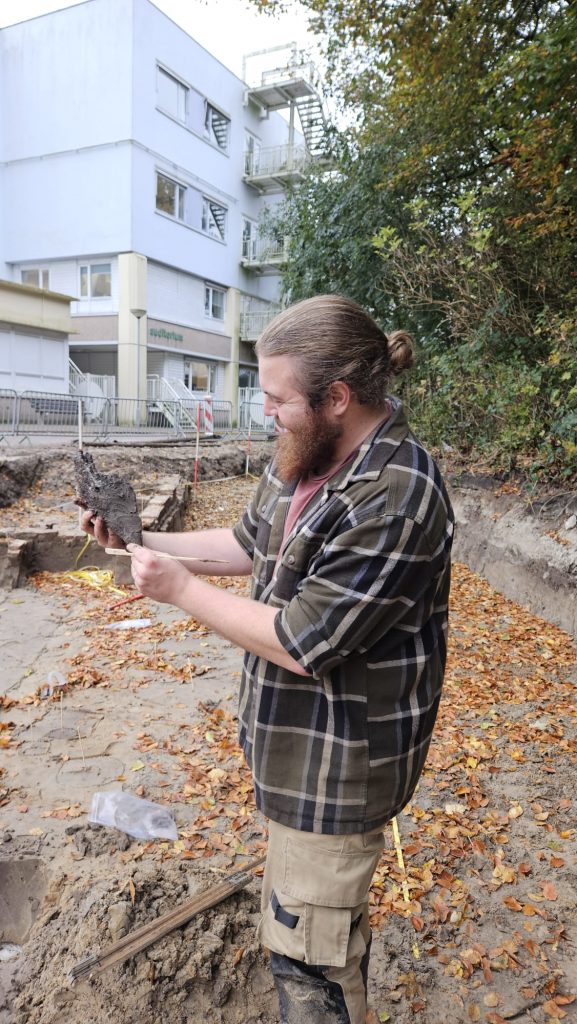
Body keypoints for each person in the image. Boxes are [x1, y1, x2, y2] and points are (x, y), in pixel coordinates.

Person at [81, 294, 454, 1024]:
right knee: (308, 925)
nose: (266, 411)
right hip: (292, 752)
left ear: (337, 398)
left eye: (276, 398)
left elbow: (302, 641)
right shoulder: (305, 454)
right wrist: (137, 544)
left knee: (311, 966)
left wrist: (179, 590)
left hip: (339, 768)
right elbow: (249, 545)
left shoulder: (397, 493)